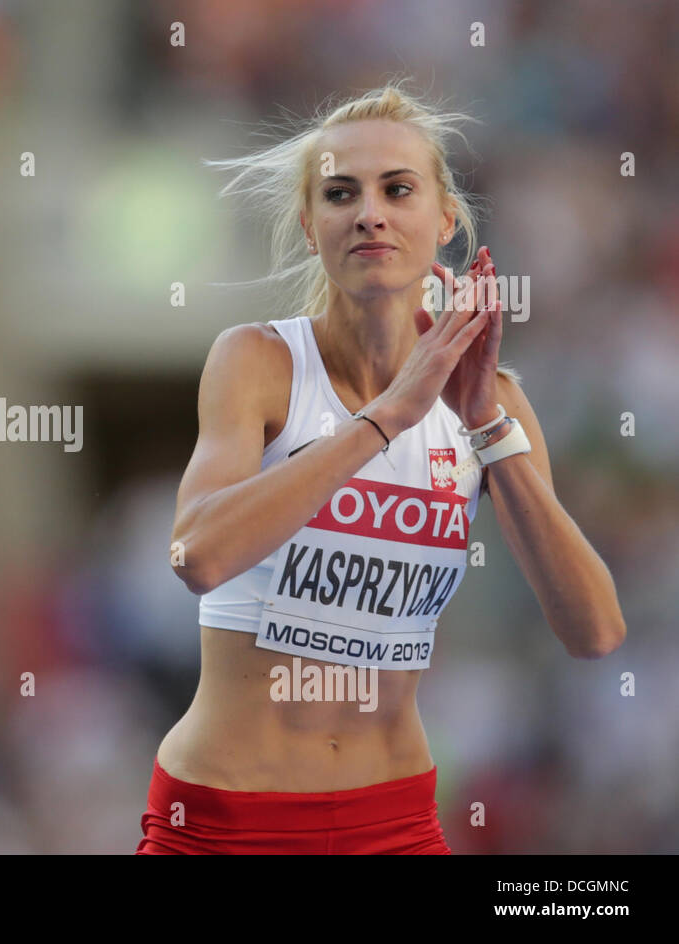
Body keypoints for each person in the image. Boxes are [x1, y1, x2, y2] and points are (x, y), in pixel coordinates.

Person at [136, 82, 627, 855]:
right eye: (340, 193)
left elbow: (595, 630)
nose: (369, 212)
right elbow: (196, 556)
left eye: (398, 189)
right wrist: (384, 417)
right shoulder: (259, 362)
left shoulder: (490, 406)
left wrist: (487, 427)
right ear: (310, 226)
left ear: (445, 222)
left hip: (392, 823)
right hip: (227, 820)